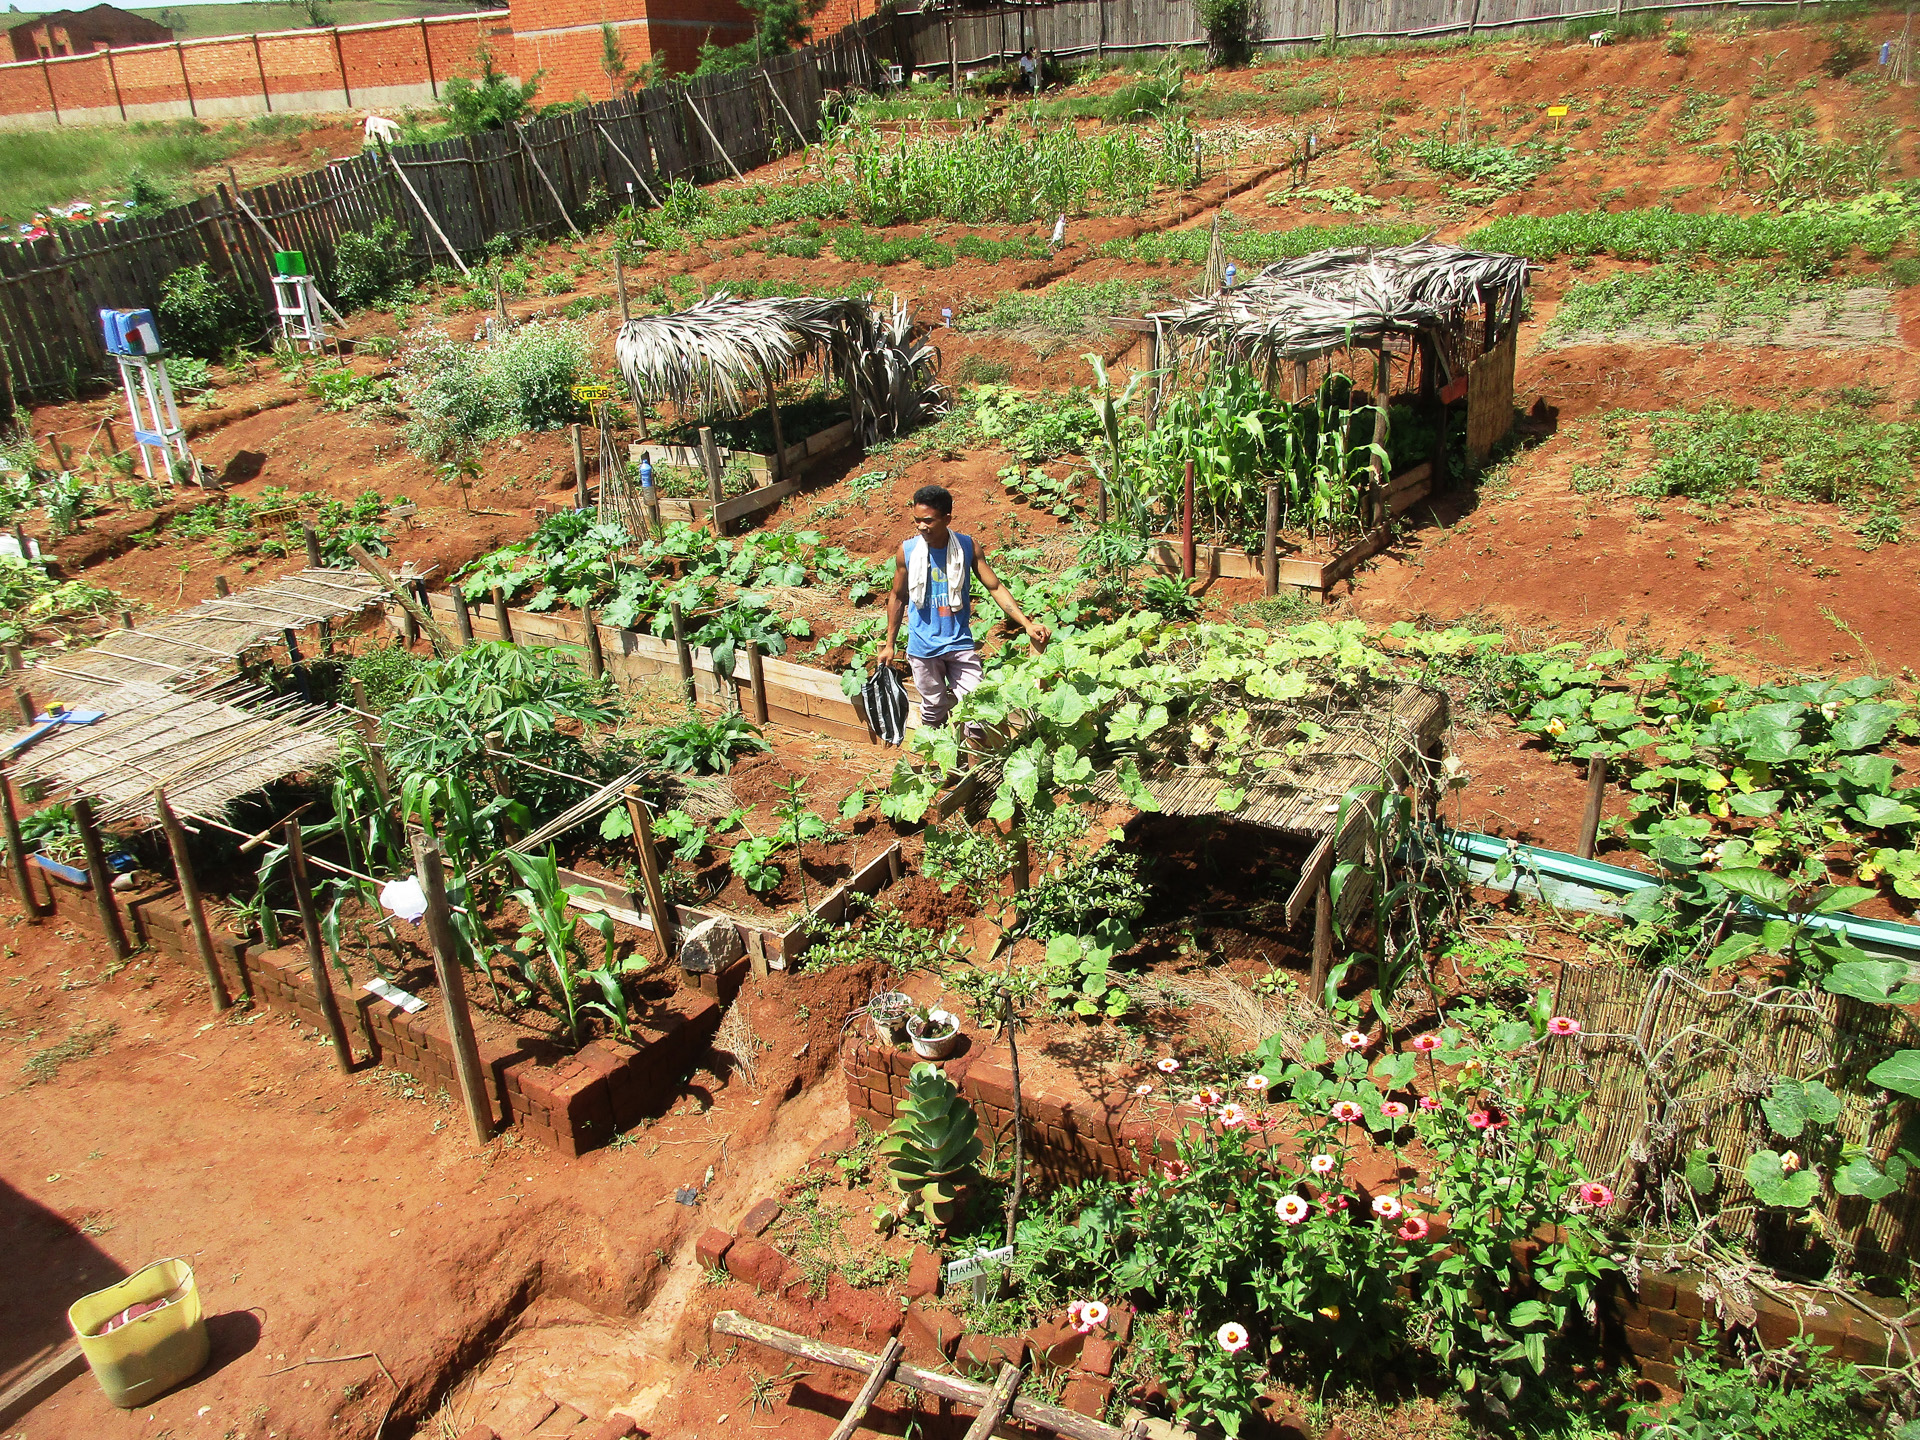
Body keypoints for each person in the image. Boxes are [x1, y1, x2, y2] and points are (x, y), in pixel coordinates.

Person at [876, 484, 1051, 729]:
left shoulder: (967, 547)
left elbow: (995, 587)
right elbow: (897, 596)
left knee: (978, 709)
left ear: (947, 518)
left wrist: (1026, 624)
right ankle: (936, 752)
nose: (921, 526)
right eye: (917, 520)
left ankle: (974, 753)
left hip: (959, 643)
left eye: (928, 520)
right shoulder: (907, 551)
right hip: (923, 648)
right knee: (933, 709)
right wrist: (890, 644)